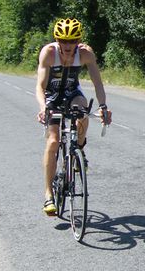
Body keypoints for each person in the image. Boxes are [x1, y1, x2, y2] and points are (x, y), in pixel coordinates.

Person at [36, 18, 110, 216]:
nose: (68, 46)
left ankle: (78, 149)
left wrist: (103, 107)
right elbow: (40, 86)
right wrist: (43, 108)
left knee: (83, 110)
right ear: (57, 40)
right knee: (53, 141)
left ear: (78, 40)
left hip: (71, 93)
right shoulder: (49, 53)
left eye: (72, 41)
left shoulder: (85, 53)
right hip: (51, 96)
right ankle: (48, 195)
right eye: (64, 41)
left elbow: (98, 84)